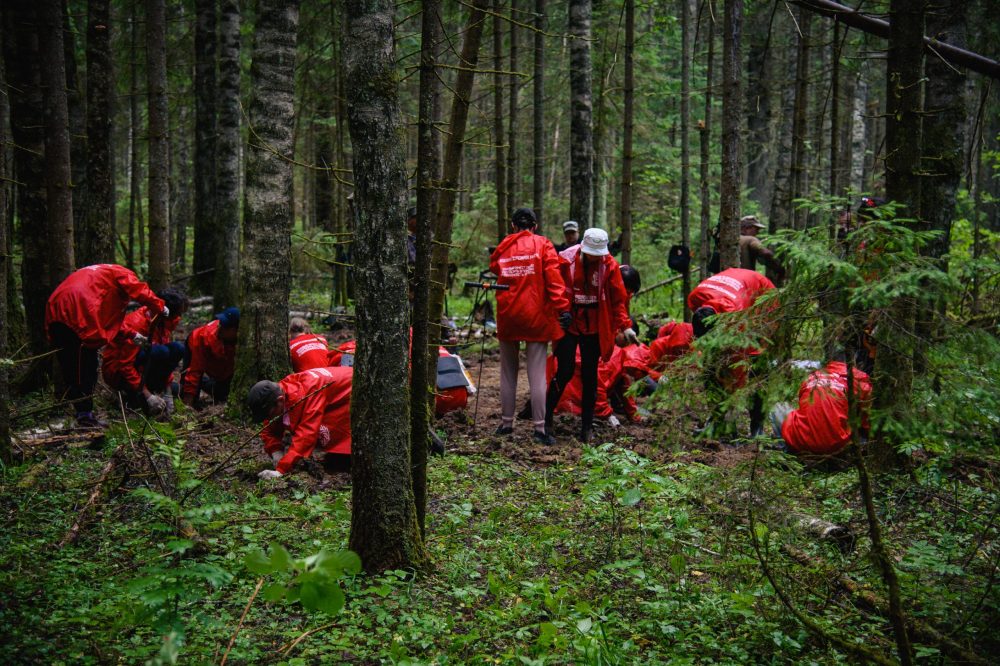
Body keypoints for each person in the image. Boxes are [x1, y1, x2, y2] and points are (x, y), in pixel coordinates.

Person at [45, 264, 166, 427]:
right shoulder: (121, 273)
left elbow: (107, 318)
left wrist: (131, 334)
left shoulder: (100, 277)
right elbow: (137, 290)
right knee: (83, 369)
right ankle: (84, 416)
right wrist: (159, 305)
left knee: (72, 367)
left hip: (56, 311)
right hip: (78, 314)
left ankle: (83, 412)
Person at [545, 227, 636, 443]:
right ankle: (546, 420)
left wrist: (626, 326)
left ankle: (586, 427)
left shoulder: (609, 265)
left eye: (599, 255)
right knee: (564, 371)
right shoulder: (565, 261)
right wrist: (561, 312)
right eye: (591, 255)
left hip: (595, 326)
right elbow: (554, 289)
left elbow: (617, 300)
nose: (595, 259)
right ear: (583, 250)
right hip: (570, 323)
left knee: (590, 375)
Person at [489, 207, 570, 444]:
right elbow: (554, 281)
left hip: (509, 314)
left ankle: (506, 424)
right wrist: (563, 309)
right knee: (536, 374)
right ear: (534, 226)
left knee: (507, 371)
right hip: (536, 316)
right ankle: (539, 429)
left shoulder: (504, 245)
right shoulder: (543, 245)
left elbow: (495, 266)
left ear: (513, 226)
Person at [688, 268, 776, 438]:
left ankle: (757, 427)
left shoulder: (736, 316)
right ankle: (717, 422)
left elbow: (738, 368)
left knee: (756, 363)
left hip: (763, 301)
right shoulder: (695, 298)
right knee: (710, 365)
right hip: (737, 289)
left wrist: (732, 399)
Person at [247, 365, 353, 478]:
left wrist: (281, 469)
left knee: (334, 426)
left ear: (280, 401)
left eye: (269, 414)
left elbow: (307, 434)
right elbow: (269, 429)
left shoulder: (309, 393)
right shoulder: (281, 392)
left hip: (350, 389)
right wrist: (275, 451)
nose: (268, 418)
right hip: (336, 388)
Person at [102, 288, 189, 416]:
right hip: (119, 375)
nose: (178, 319)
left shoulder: (164, 321)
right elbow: (125, 366)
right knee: (161, 352)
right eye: (176, 315)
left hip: (144, 369)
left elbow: (167, 361)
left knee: (177, 349)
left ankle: (151, 391)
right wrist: (148, 396)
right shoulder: (137, 324)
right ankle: (136, 395)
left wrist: (168, 391)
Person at [770, 358, 872, 455]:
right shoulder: (860, 380)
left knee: (778, 408)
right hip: (838, 444)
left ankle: (786, 454)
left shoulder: (812, 377)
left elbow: (803, 407)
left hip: (803, 441)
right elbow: (867, 421)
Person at [180, 307, 240, 408]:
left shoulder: (243, 343)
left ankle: (204, 383)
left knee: (222, 395)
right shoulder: (204, 338)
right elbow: (195, 370)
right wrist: (187, 406)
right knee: (190, 393)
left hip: (220, 369)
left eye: (225, 326)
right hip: (195, 346)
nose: (219, 327)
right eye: (220, 322)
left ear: (234, 331)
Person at [738, 215, 784, 282]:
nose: (758, 232)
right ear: (746, 228)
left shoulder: (728, 240)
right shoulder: (750, 239)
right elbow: (765, 252)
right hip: (744, 279)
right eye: (756, 229)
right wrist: (780, 269)